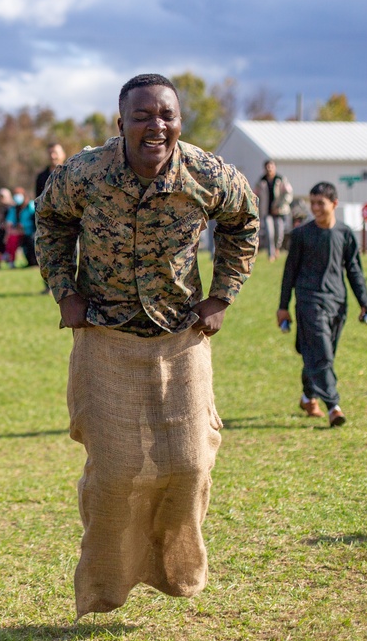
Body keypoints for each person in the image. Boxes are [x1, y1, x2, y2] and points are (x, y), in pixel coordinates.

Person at [35, 74, 259, 618]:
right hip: (106, 338)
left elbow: (244, 220)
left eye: (166, 115)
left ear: (179, 122)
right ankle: (105, 585)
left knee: (188, 466)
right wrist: (66, 292)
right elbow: (49, 222)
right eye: (142, 115)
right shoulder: (84, 173)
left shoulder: (207, 174)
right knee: (114, 473)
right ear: (121, 124)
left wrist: (222, 296)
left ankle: (176, 569)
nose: (156, 125)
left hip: (181, 337)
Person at [277, 182, 367, 428]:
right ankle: (334, 406)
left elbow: (354, 271)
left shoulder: (345, 233)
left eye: (321, 203)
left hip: (337, 303)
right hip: (309, 301)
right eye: (313, 202)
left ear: (334, 204)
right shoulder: (301, 235)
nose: (316, 208)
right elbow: (290, 272)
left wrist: (365, 303)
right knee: (322, 354)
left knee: (319, 354)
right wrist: (283, 306)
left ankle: (308, 397)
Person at [36, 143, 67, 292]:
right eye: (50, 153)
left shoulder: (71, 172)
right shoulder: (41, 177)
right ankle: (48, 287)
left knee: (69, 256)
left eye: (56, 153)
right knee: (47, 255)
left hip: (69, 220)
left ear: (63, 154)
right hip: (48, 221)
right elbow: (38, 198)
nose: (53, 156)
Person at [254, 159, 293, 261]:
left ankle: (277, 249)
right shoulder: (261, 181)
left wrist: (280, 205)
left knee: (279, 234)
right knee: (269, 233)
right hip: (266, 212)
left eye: (271, 166)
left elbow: (288, 194)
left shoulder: (280, 180)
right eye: (267, 167)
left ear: (274, 167)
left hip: (279, 212)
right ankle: (271, 255)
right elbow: (254, 195)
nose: (269, 168)